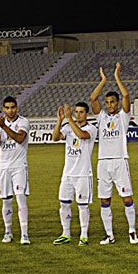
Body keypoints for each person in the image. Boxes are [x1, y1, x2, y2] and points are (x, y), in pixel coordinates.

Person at [90, 64, 138, 244]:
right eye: (107, 102)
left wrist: (116, 76)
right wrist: (103, 80)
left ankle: (132, 232)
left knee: (127, 198)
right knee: (104, 200)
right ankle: (110, 235)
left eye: (112, 102)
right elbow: (92, 98)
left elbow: (126, 95)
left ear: (117, 103)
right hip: (103, 163)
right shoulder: (101, 117)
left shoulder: (123, 117)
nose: (109, 105)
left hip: (119, 161)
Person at [51, 102, 97, 246]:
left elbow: (82, 136)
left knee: (82, 205)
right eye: (76, 112)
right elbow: (55, 137)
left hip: (83, 174)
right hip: (68, 174)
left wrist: (69, 119)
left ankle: (84, 236)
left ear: (87, 114)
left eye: (81, 112)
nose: (78, 114)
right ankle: (66, 234)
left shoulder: (91, 128)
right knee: (64, 204)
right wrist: (60, 120)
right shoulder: (67, 127)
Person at [0, 96, 30, 244]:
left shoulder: (23, 122)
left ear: (16, 108)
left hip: (19, 166)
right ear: (3, 109)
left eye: (12, 107)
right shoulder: (0, 124)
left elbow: (20, 139)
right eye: (7, 108)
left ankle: (24, 235)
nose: (10, 110)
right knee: (6, 200)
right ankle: (8, 232)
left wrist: (3, 127)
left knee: (20, 198)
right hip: (3, 167)